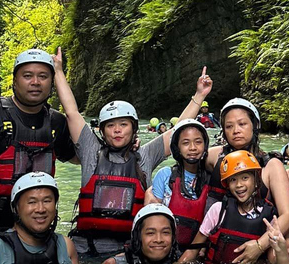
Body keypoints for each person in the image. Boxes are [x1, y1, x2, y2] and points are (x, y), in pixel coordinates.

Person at [52, 48, 213, 259]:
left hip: (129, 252)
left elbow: (177, 132)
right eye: (111, 126)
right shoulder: (91, 152)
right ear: (101, 130)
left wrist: (199, 95)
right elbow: (71, 112)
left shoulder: (144, 156)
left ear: (134, 128)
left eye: (123, 124)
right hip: (85, 249)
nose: (117, 130)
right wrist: (58, 72)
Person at [0, 49, 77, 264]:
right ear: (15, 81)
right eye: (27, 75)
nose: (35, 82)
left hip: (35, 224)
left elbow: (82, 157)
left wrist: (120, 145)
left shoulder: (57, 122)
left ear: (52, 83)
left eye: (43, 76)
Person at [204, 98, 289, 244]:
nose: (236, 131)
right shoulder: (214, 156)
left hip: (256, 244)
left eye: (242, 124)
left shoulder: (271, 166)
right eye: (229, 126)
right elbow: (185, 156)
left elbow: (288, 216)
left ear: (255, 125)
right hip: (215, 243)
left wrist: (259, 246)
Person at [178, 151, 277, 264]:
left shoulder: (269, 217)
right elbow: (193, 251)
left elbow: (273, 259)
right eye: (233, 180)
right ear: (228, 185)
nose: (239, 184)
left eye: (245, 178)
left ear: (256, 181)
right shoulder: (218, 210)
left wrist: (284, 251)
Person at [0, 171, 79, 264]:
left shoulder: (66, 247)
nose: (40, 209)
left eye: (47, 201)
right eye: (31, 202)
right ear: (16, 208)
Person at [146, 119, 211, 250]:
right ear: (177, 148)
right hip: (166, 247)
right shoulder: (165, 175)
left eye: (198, 142)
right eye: (186, 143)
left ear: (205, 146)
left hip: (197, 249)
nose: (193, 148)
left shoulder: (211, 179)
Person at [102, 204, 182, 264]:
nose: (158, 239)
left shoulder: (183, 259)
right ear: (137, 237)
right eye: (150, 233)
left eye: (165, 232)